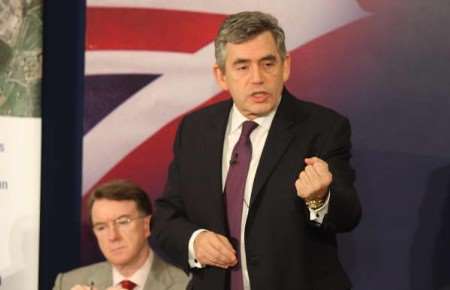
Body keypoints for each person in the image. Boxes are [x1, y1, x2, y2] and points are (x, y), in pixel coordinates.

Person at [151, 11, 361, 290]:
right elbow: (166, 219)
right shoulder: (195, 130)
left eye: (267, 63)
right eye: (242, 66)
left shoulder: (323, 127)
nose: (257, 78)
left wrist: (320, 198)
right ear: (221, 75)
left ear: (285, 66)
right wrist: (195, 240)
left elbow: (348, 216)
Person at [52, 180, 189, 290]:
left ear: (146, 226)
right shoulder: (67, 283)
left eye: (123, 222)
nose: (113, 236)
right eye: (101, 227)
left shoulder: (187, 285)